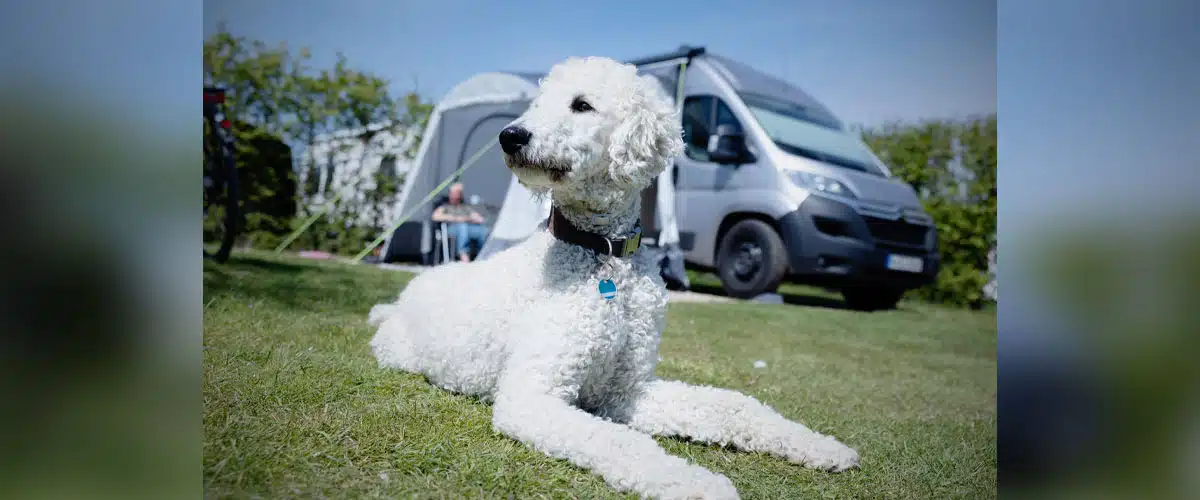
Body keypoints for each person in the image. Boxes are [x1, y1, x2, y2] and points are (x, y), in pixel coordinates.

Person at [431, 183, 488, 263]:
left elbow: (480, 219)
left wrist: (471, 219)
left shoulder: (464, 206)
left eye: (459, 193)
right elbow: (435, 216)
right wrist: (456, 218)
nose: (457, 195)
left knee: (482, 231)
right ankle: (463, 254)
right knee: (462, 226)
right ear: (450, 193)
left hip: (467, 228)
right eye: (455, 192)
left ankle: (483, 255)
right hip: (450, 228)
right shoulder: (445, 206)